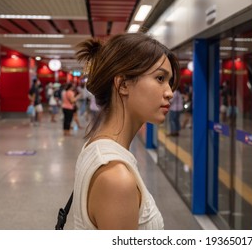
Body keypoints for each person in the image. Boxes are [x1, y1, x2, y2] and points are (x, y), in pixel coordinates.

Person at [72, 33, 180, 230]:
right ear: (122, 84)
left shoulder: (96, 147)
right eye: (160, 78)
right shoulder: (116, 178)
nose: (169, 92)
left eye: (169, 81)